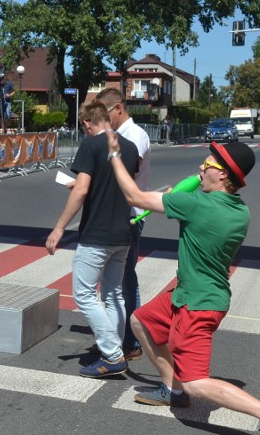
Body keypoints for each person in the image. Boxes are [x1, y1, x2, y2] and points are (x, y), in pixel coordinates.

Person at [105, 135, 260, 435]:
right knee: (141, 321)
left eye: (207, 163)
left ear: (222, 173)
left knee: (197, 382)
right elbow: (201, 213)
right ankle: (173, 389)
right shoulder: (239, 211)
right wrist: (179, 199)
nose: (200, 166)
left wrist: (115, 156)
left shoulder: (195, 204)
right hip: (194, 293)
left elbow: (133, 196)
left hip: (197, 304)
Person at [45, 100, 139, 378]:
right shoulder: (130, 147)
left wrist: (59, 227)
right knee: (113, 294)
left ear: (87, 123)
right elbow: (119, 184)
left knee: (84, 294)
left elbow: (83, 190)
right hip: (122, 232)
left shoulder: (90, 145)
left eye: (82, 126)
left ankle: (111, 355)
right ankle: (116, 348)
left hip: (96, 233)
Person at [96, 88, 150, 361]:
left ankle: (131, 341)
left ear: (118, 108)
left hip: (130, 214)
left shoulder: (136, 135)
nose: (106, 121)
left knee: (126, 280)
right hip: (116, 214)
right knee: (113, 281)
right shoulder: (117, 135)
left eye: (107, 115)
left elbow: (130, 170)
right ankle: (119, 336)